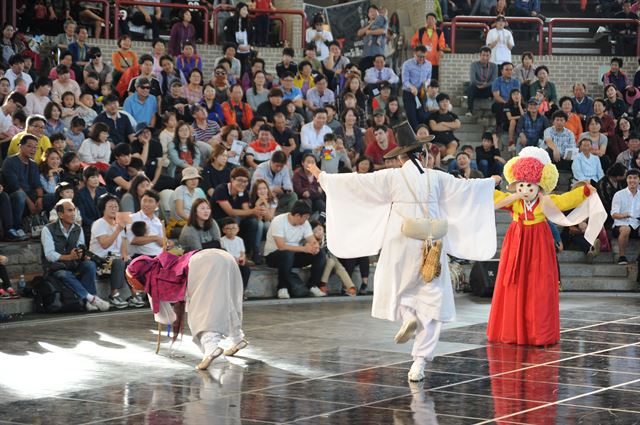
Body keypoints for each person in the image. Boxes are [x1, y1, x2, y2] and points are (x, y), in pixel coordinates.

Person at [307, 121, 499, 382]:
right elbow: (466, 188)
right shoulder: (437, 177)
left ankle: (408, 314)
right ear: (421, 154)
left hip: (401, 237)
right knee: (432, 298)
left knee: (396, 284)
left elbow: (356, 185)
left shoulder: (392, 176)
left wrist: (322, 175)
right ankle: (419, 362)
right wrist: (490, 182)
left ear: (401, 157)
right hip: (431, 240)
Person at [490, 147, 603, 346]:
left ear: (539, 185)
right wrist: (482, 185)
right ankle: (511, 330)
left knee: (538, 283)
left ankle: (538, 332)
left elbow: (566, 200)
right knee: (514, 282)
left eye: (530, 186)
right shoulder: (514, 203)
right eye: (521, 185)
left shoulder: (545, 202)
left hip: (539, 243)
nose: (525, 190)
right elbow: (494, 197)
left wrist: (584, 191)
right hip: (516, 241)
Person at [41, 199, 110, 312]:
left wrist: (82, 255)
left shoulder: (78, 228)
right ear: (60, 214)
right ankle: (91, 298)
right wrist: (69, 257)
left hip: (73, 265)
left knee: (89, 265)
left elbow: (80, 247)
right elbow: (49, 255)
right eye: (69, 211)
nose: (73, 213)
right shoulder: (47, 229)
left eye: (74, 210)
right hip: (55, 268)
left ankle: (89, 300)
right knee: (64, 274)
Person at [90, 194, 144, 309]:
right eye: (110, 206)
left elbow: (123, 243)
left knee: (130, 262)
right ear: (103, 208)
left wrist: (125, 255)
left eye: (116, 206)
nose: (114, 209)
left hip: (114, 258)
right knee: (118, 262)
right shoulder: (99, 223)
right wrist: (118, 229)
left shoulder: (117, 223)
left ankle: (134, 295)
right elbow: (105, 244)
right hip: (101, 260)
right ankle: (114, 295)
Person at [264, 201, 326, 299]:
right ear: (297, 215)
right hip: (274, 256)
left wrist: (315, 246)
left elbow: (312, 240)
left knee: (320, 254)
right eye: (305, 217)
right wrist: (304, 249)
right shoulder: (278, 221)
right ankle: (282, 288)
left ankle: (313, 285)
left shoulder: (305, 224)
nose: (306, 220)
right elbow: (281, 246)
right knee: (287, 254)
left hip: (294, 255)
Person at [2, 134, 44, 232]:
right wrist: (30, 203)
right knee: (20, 195)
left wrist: (40, 198)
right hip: (14, 198)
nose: (33, 150)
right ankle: (16, 228)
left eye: (35, 147)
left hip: (31, 196)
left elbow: (37, 184)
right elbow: (15, 186)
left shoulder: (33, 164)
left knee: (52, 197)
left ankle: (45, 227)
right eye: (29, 146)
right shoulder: (10, 161)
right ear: (20, 146)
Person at [610, 169, 640, 265]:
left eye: (635, 178)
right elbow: (613, 214)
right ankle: (622, 256)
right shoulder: (619, 194)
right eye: (630, 178)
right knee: (626, 229)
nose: (632, 180)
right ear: (626, 180)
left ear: (639, 180)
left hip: (636, 225)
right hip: (620, 225)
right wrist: (624, 215)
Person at [167, 166, 206, 236]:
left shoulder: (197, 192)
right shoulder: (180, 190)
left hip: (192, 223)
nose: (193, 181)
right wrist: (195, 222)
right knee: (197, 232)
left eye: (195, 178)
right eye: (190, 179)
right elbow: (180, 212)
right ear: (185, 181)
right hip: (178, 225)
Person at [126, 190, 165, 258]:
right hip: (141, 256)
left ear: (157, 204)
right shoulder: (132, 218)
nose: (146, 204)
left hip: (159, 256)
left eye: (150, 201)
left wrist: (168, 243)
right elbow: (132, 240)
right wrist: (155, 238)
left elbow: (162, 242)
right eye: (144, 200)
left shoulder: (158, 221)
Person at [401, 45, 431, 130]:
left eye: (423, 56)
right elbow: (405, 81)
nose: (421, 59)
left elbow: (429, 78)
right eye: (419, 56)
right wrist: (411, 87)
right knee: (412, 117)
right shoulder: (407, 64)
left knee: (423, 116)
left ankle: (422, 134)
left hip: (422, 93)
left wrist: (427, 83)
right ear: (414, 54)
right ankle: (416, 139)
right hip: (409, 94)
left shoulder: (429, 64)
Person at [409, 13, 445, 81]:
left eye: (432, 19)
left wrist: (441, 50)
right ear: (426, 21)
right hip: (422, 60)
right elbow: (413, 41)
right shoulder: (421, 31)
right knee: (423, 80)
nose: (430, 20)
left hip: (435, 61)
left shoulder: (439, 32)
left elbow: (442, 43)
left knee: (434, 80)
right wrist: (416, 48)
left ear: (435, 21)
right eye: (428, 19)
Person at [220, 217, 251, 290]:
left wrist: (242, 258)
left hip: (239, 262)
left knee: (246, 270)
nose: (231, 231)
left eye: (234, 228)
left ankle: (242, 290)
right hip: (228, 263)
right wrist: (234, 259)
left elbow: (242, 252)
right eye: (228, 228)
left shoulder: (239, 240)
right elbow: (225, 253)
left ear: (238, 229)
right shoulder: (222, 240)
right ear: (224, 230)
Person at [467, 46, 498, 116]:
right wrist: (481, 84)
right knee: (471, 86)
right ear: (480, 55)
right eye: (483, 55)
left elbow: (493, 80)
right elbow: (473, 79)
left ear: (490, 56)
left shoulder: (494, 66)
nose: (485, 57)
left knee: (496, 86)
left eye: (487, 55)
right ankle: (469, 110)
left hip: (488, 89)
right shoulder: (474, 65)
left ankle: (495, 111)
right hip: (477, 88)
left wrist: (485, 85)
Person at [428, 93, 460, 161]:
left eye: (447, 101)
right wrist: (451, 126)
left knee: (454, 144)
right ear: (438, 103)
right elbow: (434, 127)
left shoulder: (453, 115)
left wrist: (443, 123)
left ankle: (447, 157)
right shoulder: (433, 115)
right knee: (442, 149)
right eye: (442, 101)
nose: (445, 103)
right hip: (438, 139)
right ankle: (447, 157)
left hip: (450, 139)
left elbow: (457, 125)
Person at [358, 5, 388, 74]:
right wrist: (370, 25)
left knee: (380, 76)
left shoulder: (382, 21)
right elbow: (359, 33)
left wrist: (370, 32)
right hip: (366, 56)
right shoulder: (365, 24)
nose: (373, 13)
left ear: (378, 13)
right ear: (368, 14)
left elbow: (382, 31)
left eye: (375, 11)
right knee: (366, 77)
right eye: (371, 11)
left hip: (379, 56)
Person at [491, 62, 520, 132]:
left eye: (511, 69)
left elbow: (517, 95)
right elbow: (497, 96)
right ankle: (499, 125)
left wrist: (511, 103)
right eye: (507, 69)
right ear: (502, 71)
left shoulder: (516, 82)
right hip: (501, 102)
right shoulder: (497, 81)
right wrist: (506, 103)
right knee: (499, 106)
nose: (509, 71)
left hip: (513, 103)